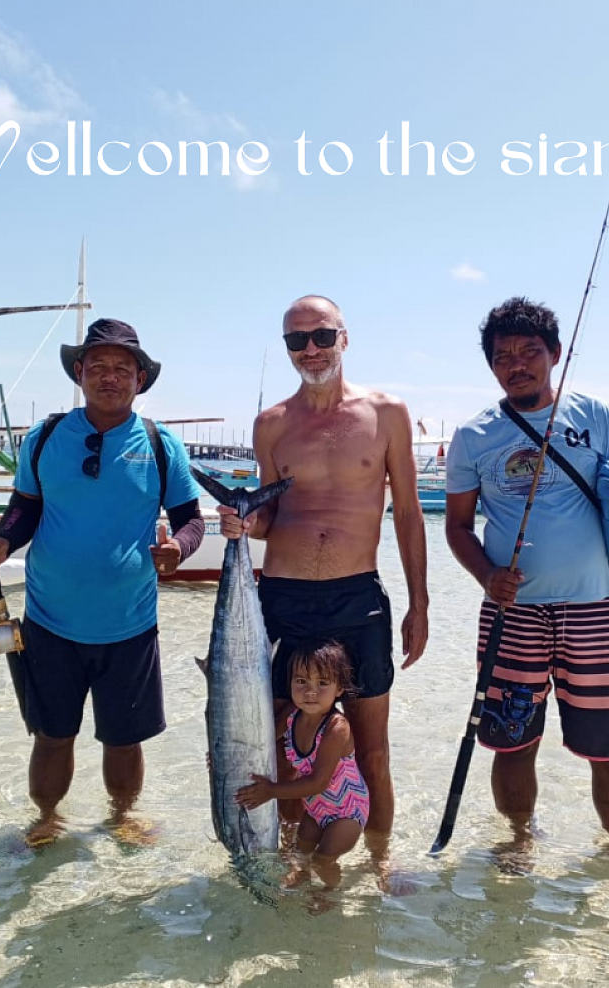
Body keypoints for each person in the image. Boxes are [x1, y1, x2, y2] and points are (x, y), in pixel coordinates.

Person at [444, 297, 609, 866]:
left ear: (555, 354)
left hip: (596, 611)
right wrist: (487, 576)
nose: (517, 365)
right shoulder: (473, 436)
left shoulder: (598, 417)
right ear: (491, 366)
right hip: (511, 617)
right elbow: (456, 527)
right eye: (503, 356)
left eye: (529, 352)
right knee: (511, 743)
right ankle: (519, 839)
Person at [0, 318, 205, 847]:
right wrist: (1, 542)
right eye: (98, 365)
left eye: (123, 368)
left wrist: (178, 549)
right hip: (49, 622)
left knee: (124, 740)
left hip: (131, 625)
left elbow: (190, 519)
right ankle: (47, 818)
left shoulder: (161, 443)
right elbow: (24, 507)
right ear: (79, 372)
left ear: (140, 379)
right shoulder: (45, 437)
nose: (110, 376)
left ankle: (122, 817)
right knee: (52, 736)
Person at [219, 295, 428, 856]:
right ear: (287, 348)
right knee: (283, 749)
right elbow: (269, 517)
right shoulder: (271, 424)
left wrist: (420, 604)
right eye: (297, 339)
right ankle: (293, 862)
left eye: (322, 335)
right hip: (282, 599)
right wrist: (243, 523)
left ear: (344, 338)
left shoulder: (387, 413)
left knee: (372, 749)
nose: (310, 348)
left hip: (356, 597)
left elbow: (409, 513)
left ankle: (380, 863)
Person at [236, 641, 369, 889]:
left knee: (322, 861)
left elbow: (318, 783)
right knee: (298, 857)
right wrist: (230, 760)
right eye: (301, 681)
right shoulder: (291, 715)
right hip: (316, 809)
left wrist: (271, 791)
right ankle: (302, 888)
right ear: (290, 684)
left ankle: (329, 896)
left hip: (347, 812)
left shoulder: (336, 728)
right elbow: (261, 744)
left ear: (339, 688)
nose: (310, 691)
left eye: (322, 683)